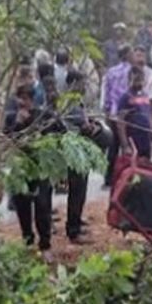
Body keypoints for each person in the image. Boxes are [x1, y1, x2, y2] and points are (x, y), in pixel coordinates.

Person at [6, 84, 66, 253]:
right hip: (20, 169)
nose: (22, 102)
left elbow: (61, 133)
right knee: (23, 206)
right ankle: (28, 241)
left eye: (25, 98)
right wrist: (18, 123)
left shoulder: (43, 116)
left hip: (41, 168)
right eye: (19, 98)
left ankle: (45, 245)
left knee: (43, 206)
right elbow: (6, 139)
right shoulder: (11, 118)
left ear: (31, 99)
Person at [64, 70, 93, 244]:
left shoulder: (77, 101)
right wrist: (91, 127)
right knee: (76, 190)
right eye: (82, 83)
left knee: (80, 190)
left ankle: (76, 221)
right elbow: (83, 126)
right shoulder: (70, 103)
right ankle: (73, 230)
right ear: (74, 84)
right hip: (75, 152)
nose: (85, 86)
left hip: (80, 151)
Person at [102, 45, 134, 186]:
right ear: (127, 54)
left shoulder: (111, 72)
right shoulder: (131, 71)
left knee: (113, 147)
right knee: (128, 145)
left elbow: (107, 94)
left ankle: (108, 179)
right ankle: (128, 176)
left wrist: (107, 112)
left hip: (114, 114)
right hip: (127, 113)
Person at [116, 66, 152, 161]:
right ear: (130, 79)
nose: (139, 82)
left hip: (146, 140)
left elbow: (149, 116)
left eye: (141, 79)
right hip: (133, 140)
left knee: (146, 167)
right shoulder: (125, 97)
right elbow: (120, 123)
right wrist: (125, 145)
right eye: (136, 79)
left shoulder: (145, 95)